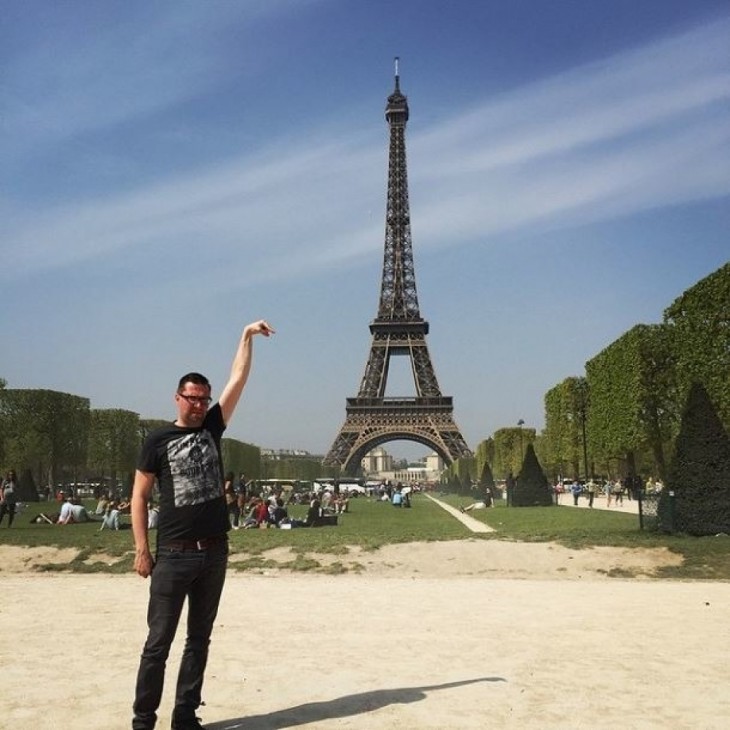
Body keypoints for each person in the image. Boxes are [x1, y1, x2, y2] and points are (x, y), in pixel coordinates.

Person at [130, 319, 274, 730]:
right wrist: (142, 549)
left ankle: (185, 716)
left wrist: (245, 337)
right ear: (177, 398)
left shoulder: (213, 427)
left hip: (214, 552)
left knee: (198, 641)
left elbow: (239, 378)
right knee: (158, 644)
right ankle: (143, 721)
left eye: (203, 399)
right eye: (191, 398)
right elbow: (139, 497)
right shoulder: (156, 441)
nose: (198, 404)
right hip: (173, 555)